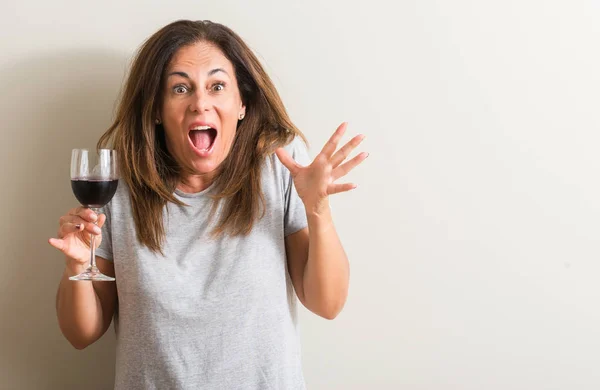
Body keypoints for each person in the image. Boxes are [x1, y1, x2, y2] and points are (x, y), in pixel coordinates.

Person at [49, 19, 367, 389]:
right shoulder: (116, 184)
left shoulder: (280, 164)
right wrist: (76, 265)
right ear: (155, 109)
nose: (201, 103)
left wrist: (318, 210)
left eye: (217, 86)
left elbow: (326, 303)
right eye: (180, 88)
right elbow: (81, 334)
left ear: (242, 103)